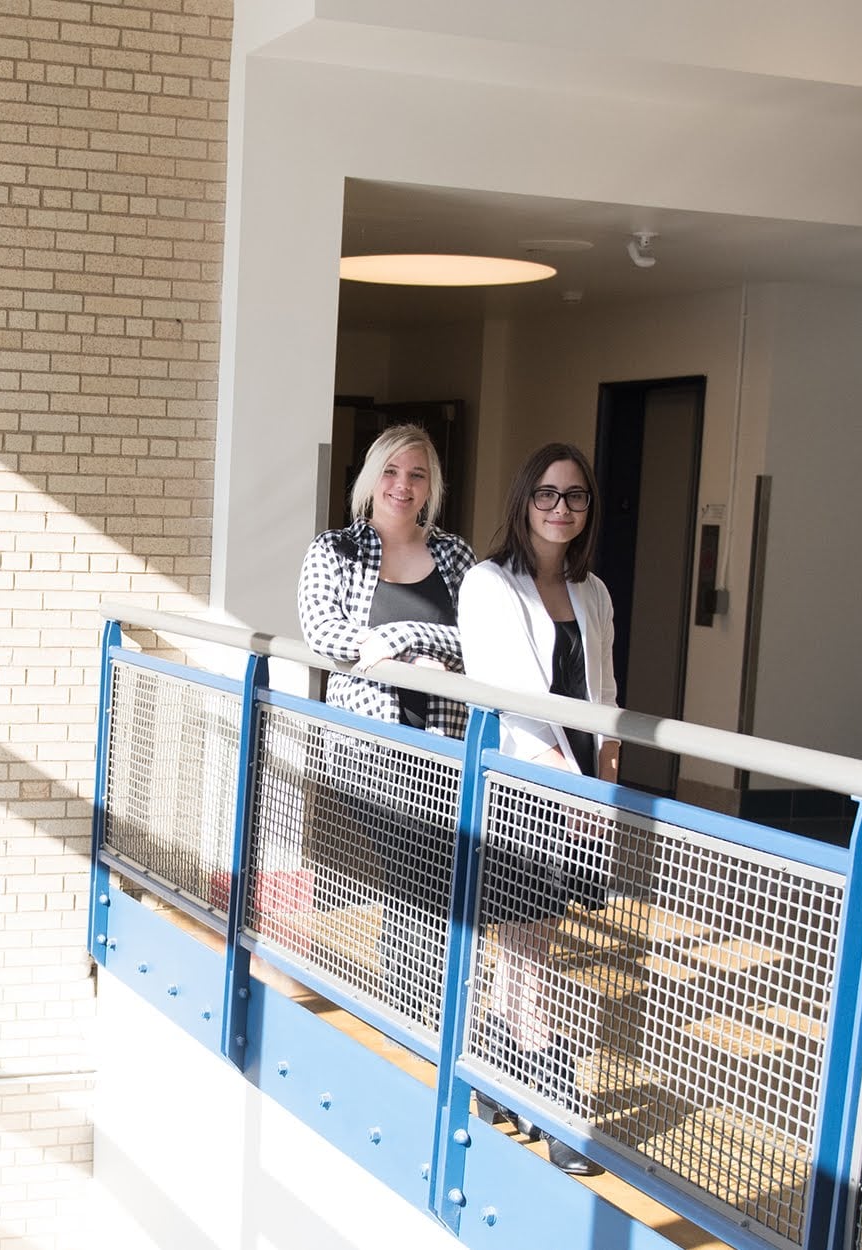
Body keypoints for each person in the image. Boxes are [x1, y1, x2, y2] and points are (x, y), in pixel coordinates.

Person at [456, 441, 619, 1177]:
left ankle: (491, 1063)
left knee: (535, 940)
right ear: (525, 502)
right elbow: (509, 696)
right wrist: (567, 782)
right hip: (523, 787)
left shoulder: (594, 592)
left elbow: (606, 698)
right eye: (548, 495)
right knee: (526, 944)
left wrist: (606, 784)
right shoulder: (490, 584)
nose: (562, 509)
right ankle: (553, 1096)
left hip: (581, 790)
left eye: (575, 496)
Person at [297, 425, 477, 1025]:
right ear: (370, 478)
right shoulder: (335, 550)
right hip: (369, 743)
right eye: (391, 472)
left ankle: (415, 1003)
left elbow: (477, 641)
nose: (402, 485)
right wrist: (412, 660)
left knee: (432, 870)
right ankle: (414, 1003)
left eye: (417, 474)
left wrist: (398, 639)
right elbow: (325, 634)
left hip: (444, 739)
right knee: (409, 866)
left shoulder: (455, 556)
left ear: (432, 487)